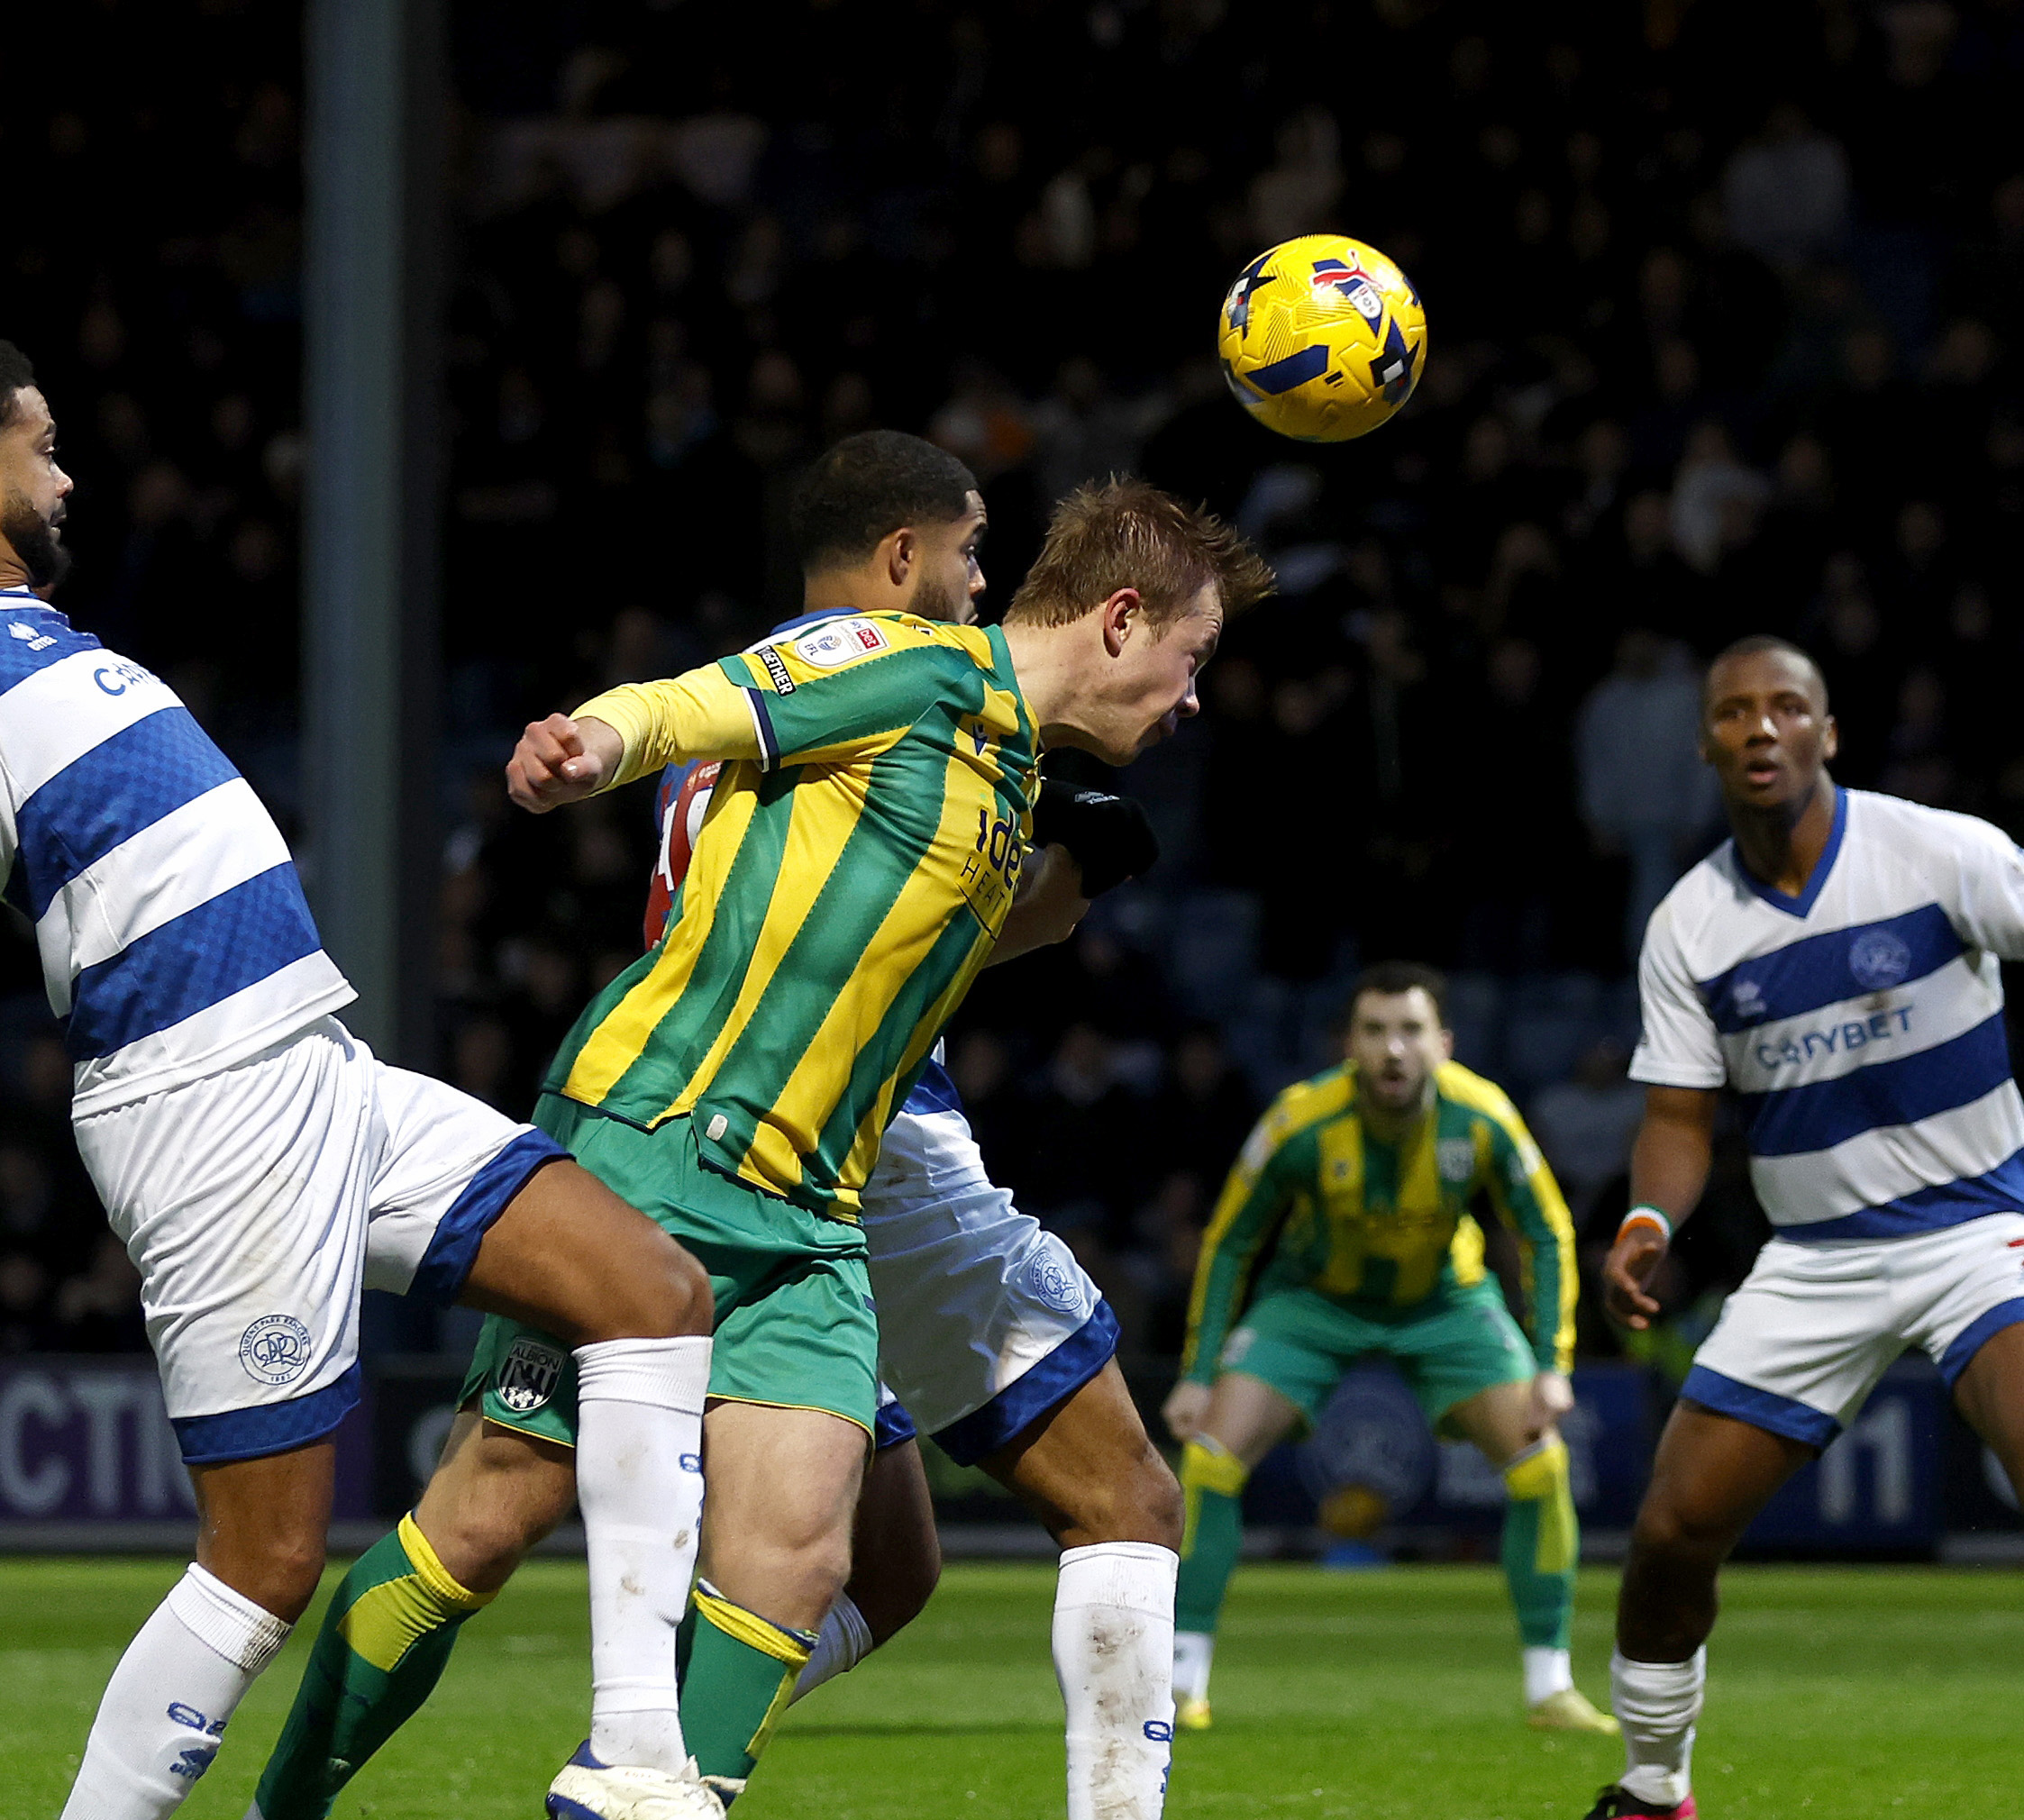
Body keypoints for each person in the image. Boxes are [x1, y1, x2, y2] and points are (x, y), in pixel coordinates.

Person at [0, 329, 725, 1820]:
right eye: (43, 445)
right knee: (264, 1563)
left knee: (650, 1296)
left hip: (313, 1067)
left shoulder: (1, 648)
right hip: (203, 1099)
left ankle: (634, 1755)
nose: (68, 469)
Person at [247, 469, 1265, 1820]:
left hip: (816, 1213)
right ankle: (282, 1812)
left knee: (804, 1563)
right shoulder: (911, 670)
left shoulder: (1008, 757)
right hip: (656, 1151)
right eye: (1193, 657)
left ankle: (633, 1798)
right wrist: (588, 748)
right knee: (483, 1522)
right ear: (1125, 620)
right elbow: (690, 704)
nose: (1195, 696)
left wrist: (1061, 881)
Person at [638, 434, 1199, 1810]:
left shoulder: (785, 693)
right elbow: (873, 947)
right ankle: (646, 1766)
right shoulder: (905, 693)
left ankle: (645, 1758)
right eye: (966, 558)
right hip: (858, 1141)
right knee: (1124, 1502)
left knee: (887, 1571)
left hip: (702, 1114)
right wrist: (1051, 887)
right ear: (905, 561)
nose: (979, 585)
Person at [1582, 636, 2024, 1820]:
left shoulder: (1940, 854)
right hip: (1815, 1262)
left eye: (1785, 708)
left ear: (1827, 733)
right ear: (1705, 746)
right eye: (1733, 713)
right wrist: (1644, 1216)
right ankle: (1649, 1789)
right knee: (1670, 1532)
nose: (1759, 728)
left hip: (1975, 1231)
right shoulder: (1689, 925)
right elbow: (1678, 1117)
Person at [1162, 961, 1612, 1736]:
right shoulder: (1298, 1123)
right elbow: (1231, 1242)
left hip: (1445, 1304)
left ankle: (1551, 1689)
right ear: (1349, 1045)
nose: (1393, 1050)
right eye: (1374, 1032)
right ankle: (1179, 1685)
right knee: (1207, 1456)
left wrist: (1552, 1365)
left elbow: (1545, 1232)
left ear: (1443, 1043)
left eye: (1410, 1031)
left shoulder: (1485, 1119)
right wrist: (1196, 1375)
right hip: (1313, 1305)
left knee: (1541, 1464)